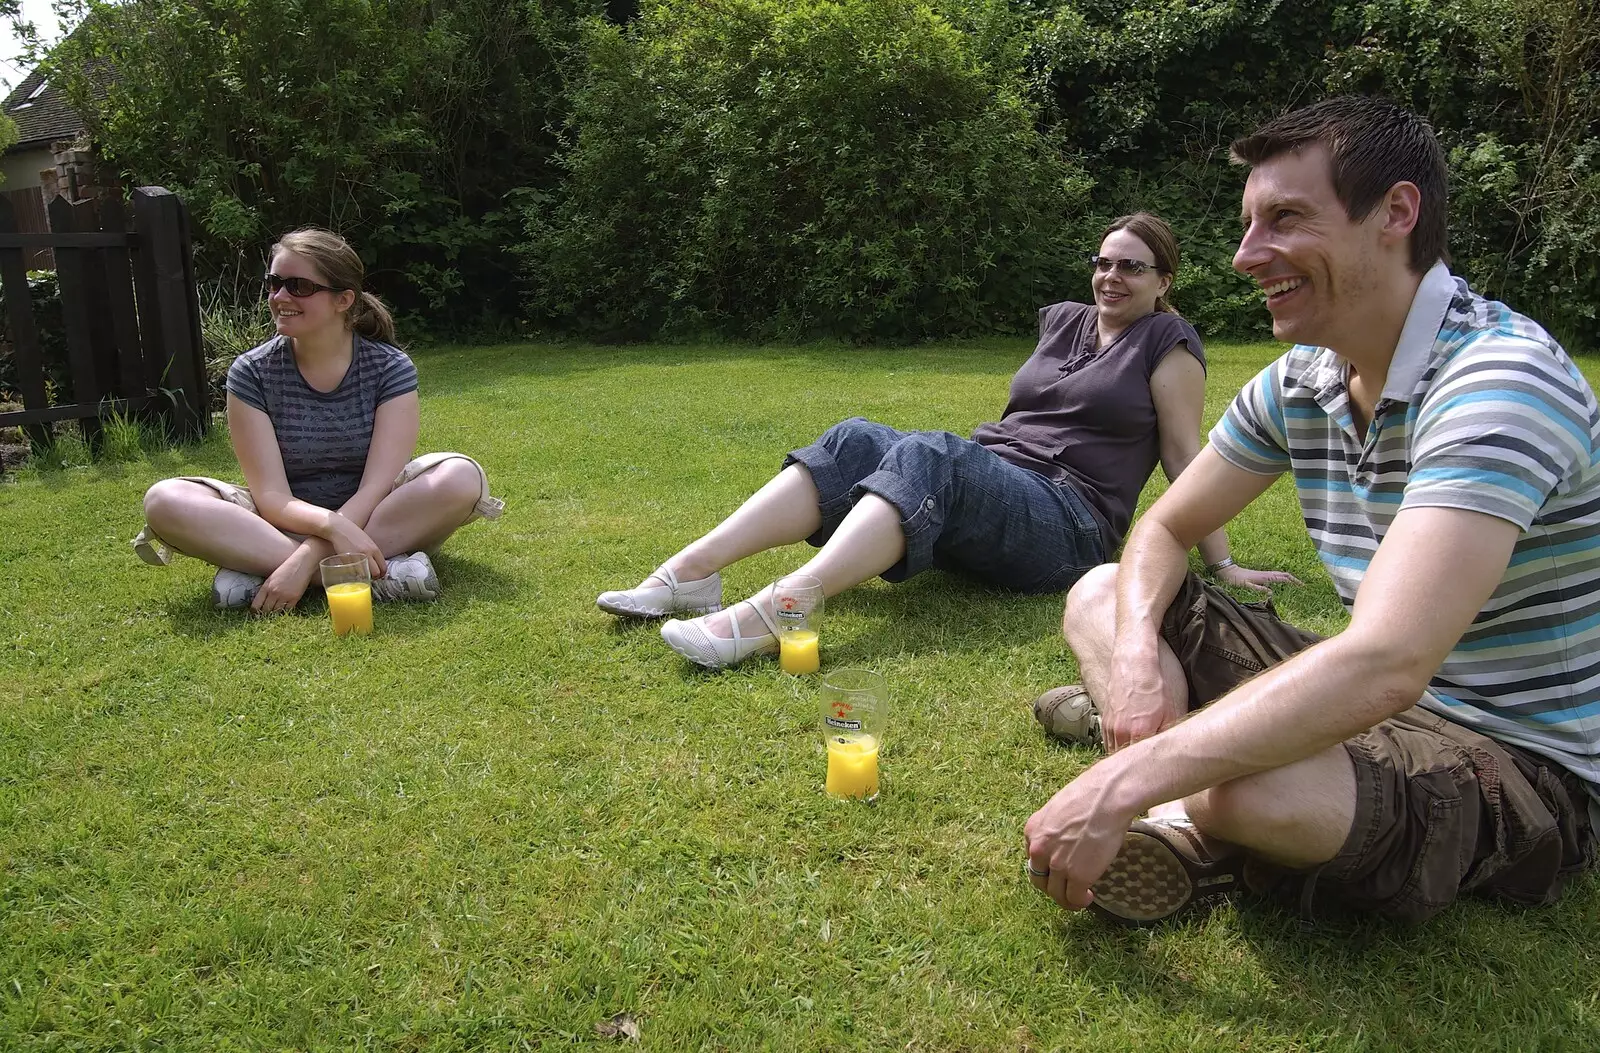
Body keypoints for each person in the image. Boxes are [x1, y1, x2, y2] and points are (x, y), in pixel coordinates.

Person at [1024, 97, 1599, 928]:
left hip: (1520, 755)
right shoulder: (1305, 377)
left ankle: (1186, 814)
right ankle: (1185, 771)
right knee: (1103, 593)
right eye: (1249, 223)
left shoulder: (1499, 382)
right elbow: (1164, 528)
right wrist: (1142, 659)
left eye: (1284, 220)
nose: (1244, 255)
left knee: (1249, 785)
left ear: (1396, 214)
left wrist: (1128, 779)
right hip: (1378, 698)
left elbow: (1390, 660)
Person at [596, 213, 1294, 669]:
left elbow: (1183, 452)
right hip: (999, 481)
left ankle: (785, 605)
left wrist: (1222, 562)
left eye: (1132, 267)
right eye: (1104, 261)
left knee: (933, 453)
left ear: (1163, 281)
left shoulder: (1169, 342)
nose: (1112, 276)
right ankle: (693, 573)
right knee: (857, 436)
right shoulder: (1063, 321)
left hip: (1068, 521)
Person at [133, 228, 504, 613]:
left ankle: (268, 573)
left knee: (461, 476)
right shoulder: (252, 372)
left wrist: (308, 555)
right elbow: (272, 496)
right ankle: (384, 575)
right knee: (165, 500)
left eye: (298, 287)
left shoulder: (389, 368)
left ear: (343, 299)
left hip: (377, 517)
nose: (279, 297)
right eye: (274, 283)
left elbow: (376, 486)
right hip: (279, 523)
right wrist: (330, 528)